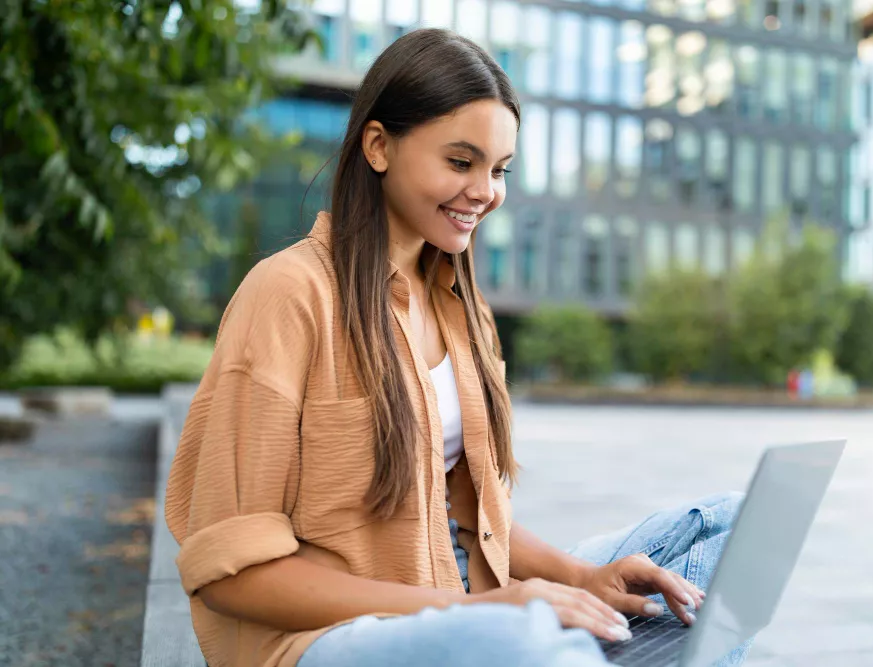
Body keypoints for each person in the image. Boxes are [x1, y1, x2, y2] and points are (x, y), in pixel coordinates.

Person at [164, 28, 752, 667]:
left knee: (728, 532)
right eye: (461, 162)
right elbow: (230, 575)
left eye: (499, 170)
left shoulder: (460, 309)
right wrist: (481, 613)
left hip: (460, 599)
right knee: (529, 640)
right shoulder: (289, 293)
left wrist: (578, 579)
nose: (485, 192)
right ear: (379, 146)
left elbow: (463, 522)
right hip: (334, 636)